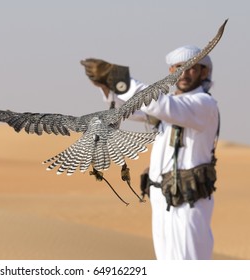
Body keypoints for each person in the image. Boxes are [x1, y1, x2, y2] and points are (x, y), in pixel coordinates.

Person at [81, 45, 220, 260]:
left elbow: (160, 105)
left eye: (192, 68)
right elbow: (131, 109)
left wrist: (121, 80)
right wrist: (107, 87)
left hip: (187, 201)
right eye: (178, 68)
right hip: (162, 196)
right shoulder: (173, 103)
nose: (184, 73)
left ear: (204, 72)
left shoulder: (203, 104)